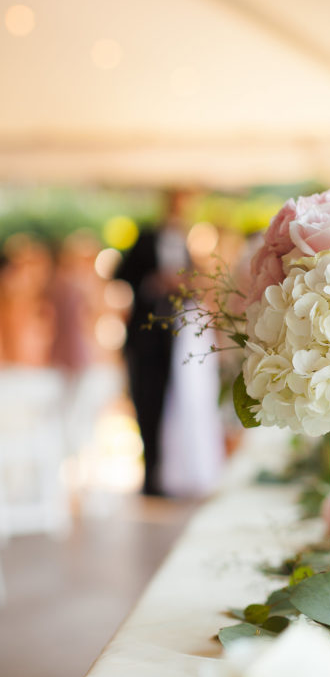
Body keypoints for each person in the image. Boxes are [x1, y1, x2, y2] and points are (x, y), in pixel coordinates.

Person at [116, 189, 223, 497]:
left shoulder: (190, 246)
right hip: (147, 340)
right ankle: (150, 476)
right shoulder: (145, 238)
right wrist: (154, 280)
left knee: (177, 406)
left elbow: (199, 286)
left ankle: (170, 471)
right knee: (147, 404)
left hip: (177, 339)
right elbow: (122, 275)